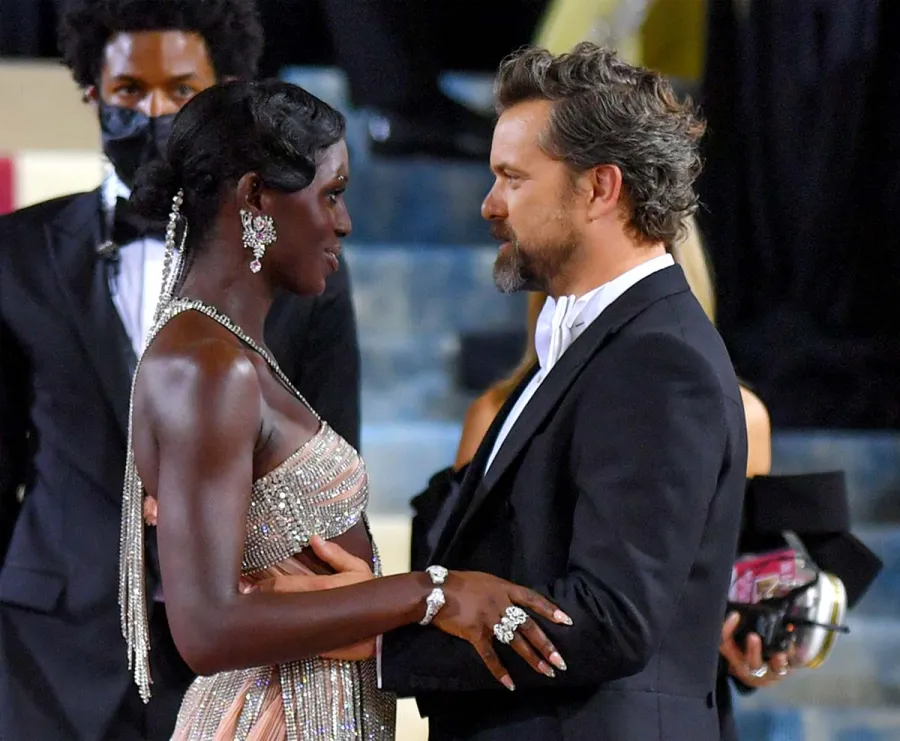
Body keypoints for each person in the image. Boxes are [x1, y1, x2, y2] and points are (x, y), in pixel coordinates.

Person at [121, 78, 570, 740]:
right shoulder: (206, 366)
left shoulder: (228, 351)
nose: (344, 221)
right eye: (330, 194)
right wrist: (429, 592)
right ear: (255, 197)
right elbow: (206, 627)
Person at [364, 43, 747, 740]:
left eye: (513, 178)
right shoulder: (591, 343)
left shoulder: (658, 360)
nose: (489, 205)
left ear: (600, 188)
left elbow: (608, 617)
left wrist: (379, 640)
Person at [0, 2, 358, 739]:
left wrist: (307, 647)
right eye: (130, 90)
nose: (155, 112)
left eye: (180, 90)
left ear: (225, 90)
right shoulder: (16, 251)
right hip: (47, 654)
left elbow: (330, 466)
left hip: (229, 666)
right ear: (91, 93)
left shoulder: (301, 261)